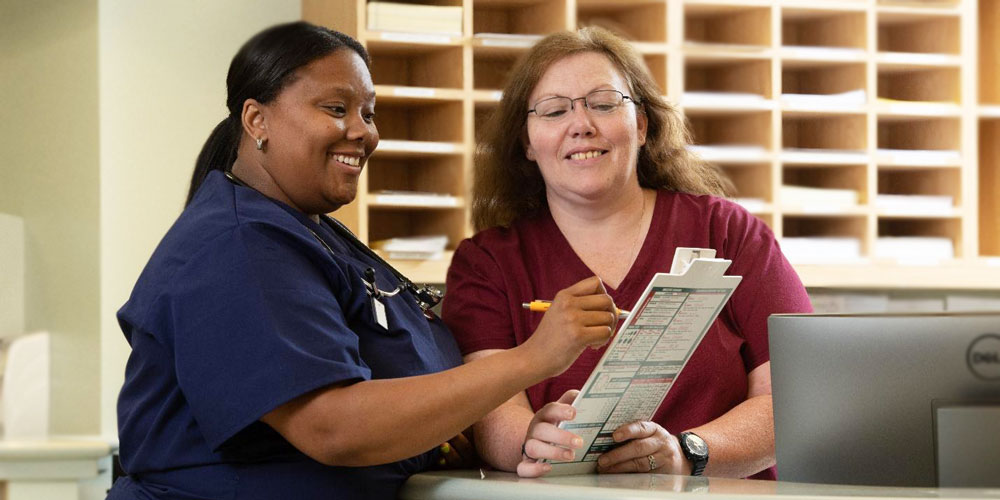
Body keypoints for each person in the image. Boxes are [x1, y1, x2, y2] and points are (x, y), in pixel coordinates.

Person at [107, 22, 618, 500]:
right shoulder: (238, 245)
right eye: (336, 109)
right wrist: (533, 358)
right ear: (256, 119)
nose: (363, 132)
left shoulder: (311, 233)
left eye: (369, 113)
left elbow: (380, 390)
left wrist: (430, 437)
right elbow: (331, 427)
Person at [441, 27, 813, 480]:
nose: (581, 125)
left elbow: (797, 397)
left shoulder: (729, 232)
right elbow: (489, 410)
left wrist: (688, 454)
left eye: (603, 103)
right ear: (526, 143)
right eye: (555, 111)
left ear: (641, 125)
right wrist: (535, 440)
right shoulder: (488, 263)